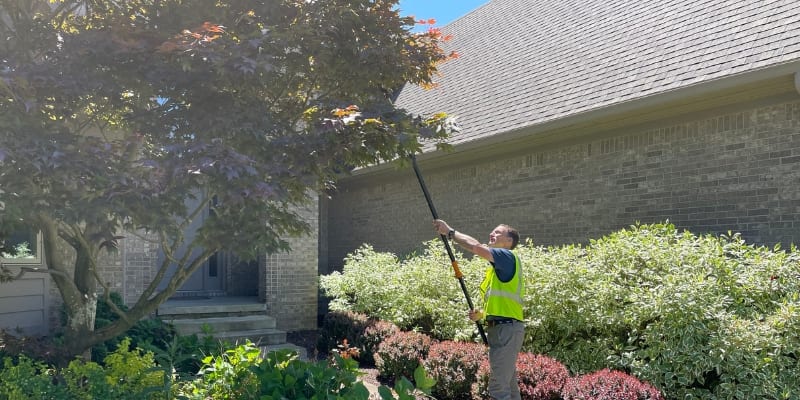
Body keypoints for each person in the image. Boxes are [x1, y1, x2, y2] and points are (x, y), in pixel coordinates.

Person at [433, 219, 525, 400]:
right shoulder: (498, 270)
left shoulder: (507, 257)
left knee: (499, 388)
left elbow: (475, 246)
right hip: (503, 329)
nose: (492, 233)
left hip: (506, 331)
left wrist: (450, 232)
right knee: (509, 386)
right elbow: (501, 305)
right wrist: (481, 314)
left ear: (509, 242)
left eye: (498, 232)